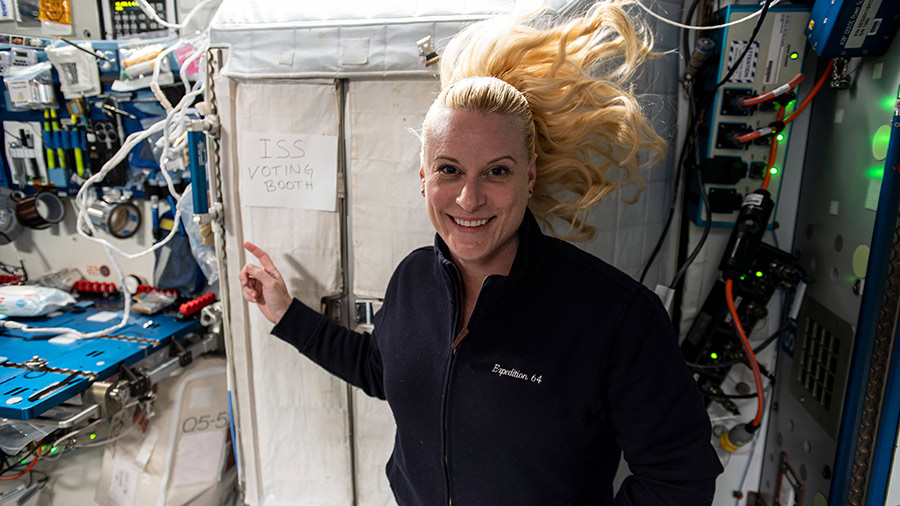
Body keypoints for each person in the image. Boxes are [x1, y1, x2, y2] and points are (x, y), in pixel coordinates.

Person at [240, 1, 723, 504]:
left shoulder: (614, 317)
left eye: (496, 171)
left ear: (529, 176)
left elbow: (679, 480)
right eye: (449, 169)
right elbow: (384, 369)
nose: (469, 199)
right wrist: (285, 313)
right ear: (424, 177)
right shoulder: (411, 280)